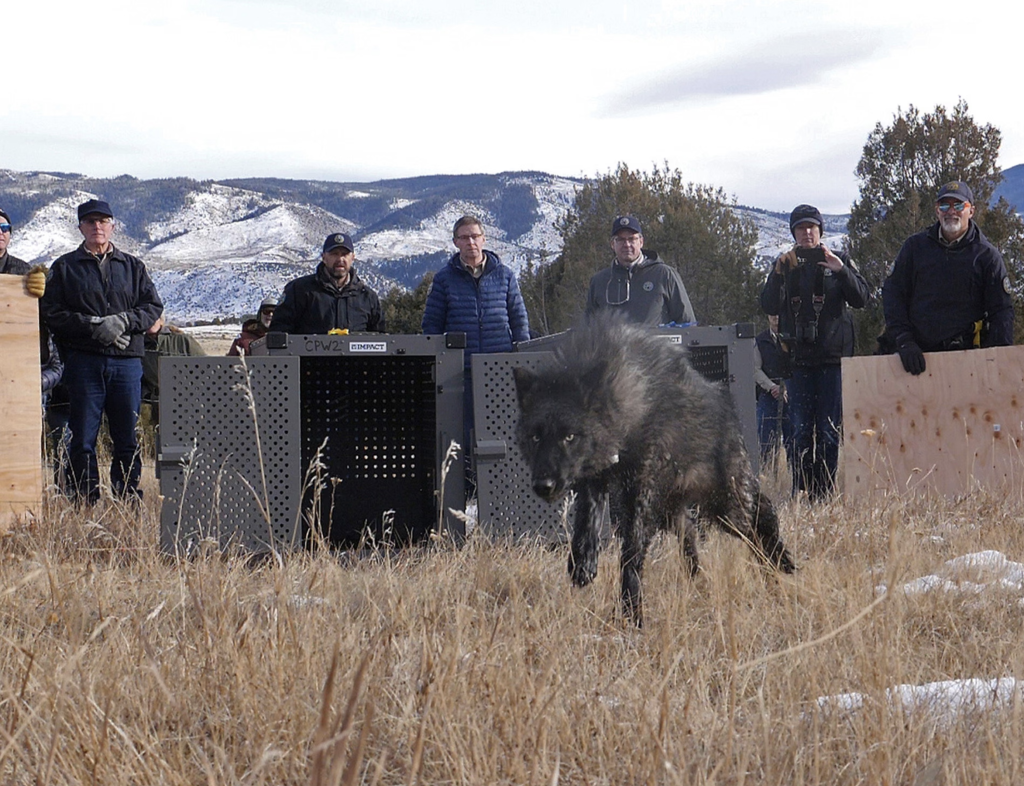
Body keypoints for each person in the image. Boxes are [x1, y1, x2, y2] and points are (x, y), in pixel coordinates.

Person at [40, 199, 163, 504]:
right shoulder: (65, 267)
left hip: (126, 364)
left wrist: (123, 322)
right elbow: (51, 312)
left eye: (103, 221)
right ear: (80, 227)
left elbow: (152, 307)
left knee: (127, 437)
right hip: (84, 362)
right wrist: (91, 325)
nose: (97, 226)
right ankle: (85, 499)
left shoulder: (133, 267)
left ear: (113, 226)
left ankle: (127, 498)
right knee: (82, 437)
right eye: (90, 221)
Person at [760, 204, 870, 502]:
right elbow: (768, 305)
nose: (807, 233)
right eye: (800, 228)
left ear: (820, 231)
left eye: (812, 227)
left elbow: (862, 298)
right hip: (797, 361)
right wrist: (778, 274)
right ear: (793, 233)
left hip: (832, 360)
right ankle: (801, 491)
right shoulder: (785, 265)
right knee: (799, 430)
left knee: (829, 431)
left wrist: (841, 270)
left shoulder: (839, 259)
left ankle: (825, 494)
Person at [422, 215, 531, 497]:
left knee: (504, 431)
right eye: (464, 237)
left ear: (484, 239)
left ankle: (504, 490)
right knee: (465, 433)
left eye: (475, 236)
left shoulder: (505, 275)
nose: (470, 242)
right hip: (462, 372)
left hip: (500, 370)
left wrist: (521, 361)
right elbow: (431, 327)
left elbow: (519, 321)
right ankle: (469, 492)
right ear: (455, 242)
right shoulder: (444, 280)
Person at [882, 181, 1014, 375]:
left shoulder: (987, 256)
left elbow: (1001, 311)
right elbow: (893, 295)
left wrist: (995, 361)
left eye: (958, 205)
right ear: (937, 211)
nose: (951, 211)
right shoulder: (914, 248)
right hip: (916, 359)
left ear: (971, 211)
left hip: (968, 361)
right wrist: (903, 341)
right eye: (944, 206)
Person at [586, 215, 695, 326]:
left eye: (631, 239)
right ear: (612, 244)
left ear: (641, 242)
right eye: (621, 240)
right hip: (612, 338)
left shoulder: (664, 274)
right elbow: (589, 327)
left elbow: (687, 323)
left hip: (655, 338)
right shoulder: (599, 281)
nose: (626, 244)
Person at [270, 234, 384, 334]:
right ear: (324, 257)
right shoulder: (299, 290)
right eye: (334, 254)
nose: (340, 259)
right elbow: (279, 330)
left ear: (352, 258)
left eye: (345, 254)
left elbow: (381, 338)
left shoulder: (368, 297)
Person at [143, 316, 207, 427]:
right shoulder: (138, 345)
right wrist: (148, 396)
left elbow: (206, 369)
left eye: (153, 316)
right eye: (145, 316)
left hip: (187, 406)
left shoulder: (183, 340)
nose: (149, 320)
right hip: (154, 408)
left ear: (161, 319)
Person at [754, 314, 793, 469]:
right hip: (768, 396)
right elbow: (755, 369)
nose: (775, 317)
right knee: (765, 442)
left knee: (794, 442)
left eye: (778, 313)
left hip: (792, 395)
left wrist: (787, 388)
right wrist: (772, 387)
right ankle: (767, 477)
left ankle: (795, 477)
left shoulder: (793, 337)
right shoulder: (759, 340)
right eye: (772, 314)